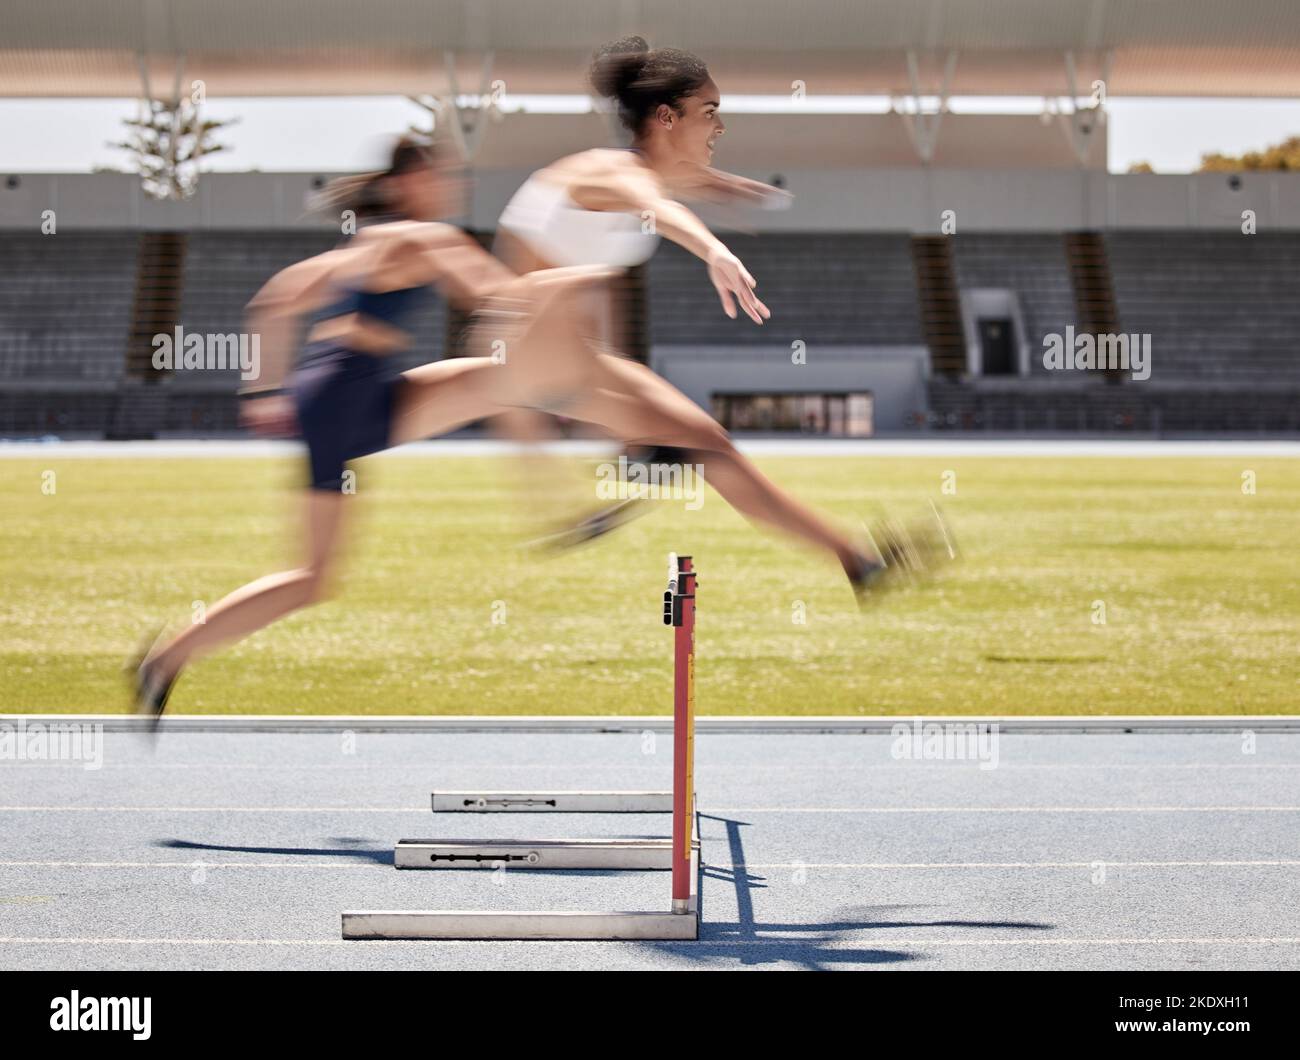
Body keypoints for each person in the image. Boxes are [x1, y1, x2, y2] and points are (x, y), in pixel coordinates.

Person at [130, 137, 620, 721]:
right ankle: (558, 506)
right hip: (346, 396)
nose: (452, 185)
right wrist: (585, 276)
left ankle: (163, 661)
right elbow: (501, 299)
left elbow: (275, 300)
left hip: (341, 393)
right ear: (408, 182)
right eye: (443, 174)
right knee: (499, 378)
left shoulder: (370, 241)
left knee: (312, 579)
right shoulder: (427, 237)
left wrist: (262, 393)